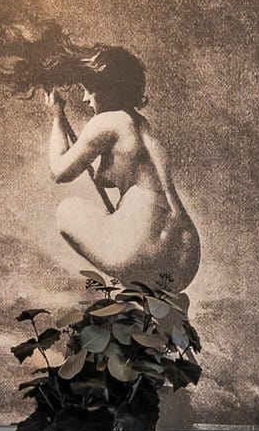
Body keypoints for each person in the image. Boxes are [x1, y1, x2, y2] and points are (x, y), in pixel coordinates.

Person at [45, 44, 201, 290]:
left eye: (90, 90)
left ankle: (136, 283)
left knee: (66, 210)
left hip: (144, 251)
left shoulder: (108, 121)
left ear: (107, 88)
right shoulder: (144, 127)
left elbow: (59, 171)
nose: (86, 99)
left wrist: (57, 114)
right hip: (186, 253)